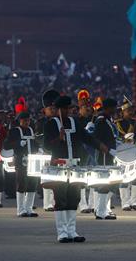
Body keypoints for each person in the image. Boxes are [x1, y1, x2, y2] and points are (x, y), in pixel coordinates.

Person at [44, 96, 108, 242]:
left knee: (74, 197)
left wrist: (100, 145)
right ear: (59, 109)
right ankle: (62, 232)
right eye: (65, 108)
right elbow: (46, 145)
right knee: (61, 197)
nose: (68, 111)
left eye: (69, 108)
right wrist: (57, 139)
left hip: (75, 165)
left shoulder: (74, 122)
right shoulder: (51, 124)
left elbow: (86, 137)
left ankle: (72, 231)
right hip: (59, 166)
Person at [4, 111, 38, 217]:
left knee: (33, 183)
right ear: (20, 121)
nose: (27, 122)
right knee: (21, 183)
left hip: (32, 160)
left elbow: (35, 144)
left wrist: (39, 147)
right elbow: (6, 145)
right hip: (20, 160)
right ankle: (20, 209)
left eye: (28, 120)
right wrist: (18, 143)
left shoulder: (31, 130)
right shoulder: (14, 131)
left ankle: (29, 208)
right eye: (24, 120)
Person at [92, 99, 119, 220]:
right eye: (113, 108)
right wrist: (108, 149)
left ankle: (101, 209)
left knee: (108, 182)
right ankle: (101, 211)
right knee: (104, 182)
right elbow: (98, 137)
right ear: (108, 108)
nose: (115, 110)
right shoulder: (101, 120)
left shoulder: (107, 119)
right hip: (104, 154)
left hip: (109, 153)